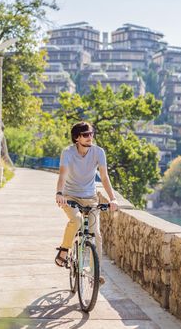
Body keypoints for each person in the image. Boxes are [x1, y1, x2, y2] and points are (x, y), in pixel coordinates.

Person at [54, 121, 118, 285]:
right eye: (86, 135)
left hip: (90, 197)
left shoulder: (99, 152)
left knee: (96, 234)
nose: (90, 137)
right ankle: (64, 249)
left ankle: (95, 274)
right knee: (77, 220)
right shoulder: (67, 153)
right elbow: (62, 175)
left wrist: (112, 199)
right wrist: (59, 193)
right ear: (77, 138)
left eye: (91, 133)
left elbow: (104, 177)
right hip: (70, 196)